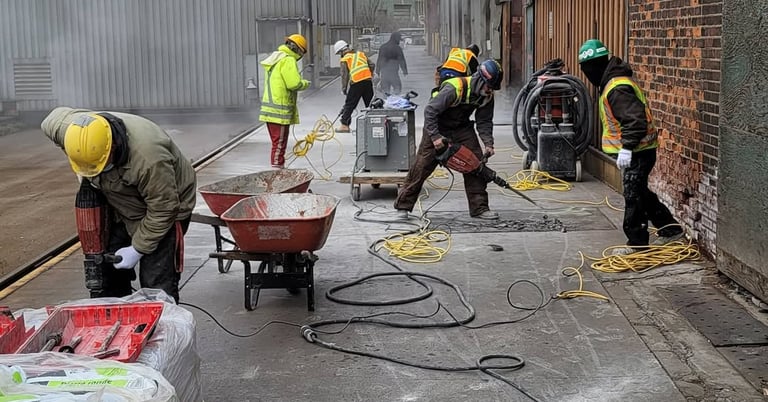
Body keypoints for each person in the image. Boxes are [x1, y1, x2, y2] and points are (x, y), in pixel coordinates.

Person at [41, 107, 197, 302]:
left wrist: (137, 249)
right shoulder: (67, 130)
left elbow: (164, 208)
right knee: (106, 275)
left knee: (156, 285)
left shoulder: (149, 159)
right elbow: (50, 119)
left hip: (165, 208)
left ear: (113, 146)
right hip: (118, 202)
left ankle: (161, 325)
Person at [578, 39, 685, 255]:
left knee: (633, 195)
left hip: (637, 151)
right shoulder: (612, 82)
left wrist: (626, 148)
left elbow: (635, 121)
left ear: (595, 65)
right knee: (641, 193)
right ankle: (671, 229)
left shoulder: (617, 87)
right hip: (638, 150)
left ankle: (637, 244)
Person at [394, 59, 504, 220]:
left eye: (492, 88)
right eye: (488, 86)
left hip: (462, 128)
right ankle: (403, 206)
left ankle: (479, 208)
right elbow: (430, 111)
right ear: (480, 80)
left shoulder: (487, 96)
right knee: (422, 166)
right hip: (437, 125)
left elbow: (484, 121)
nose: (489, 91)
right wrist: (435, 137)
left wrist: (488, 143)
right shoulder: (455, 88)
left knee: (476, 164)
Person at [259, 33, 311, 168]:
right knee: (279, 145)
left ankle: (277, 169)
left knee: (276, 143)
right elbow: (293, 83)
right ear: (299, 50)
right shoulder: (288, 60)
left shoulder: (276, 58)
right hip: (280, 111)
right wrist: (305, 83)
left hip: (269, 110)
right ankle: (277, 173)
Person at [334, 40, 375, 133]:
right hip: (368, 81)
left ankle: (344, 125)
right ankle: (374, 122)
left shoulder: (345, 59)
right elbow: (372, 65)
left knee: (350, 103)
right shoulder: (361, 54)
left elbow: (344, 75)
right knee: (370, 103)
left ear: (341, 52)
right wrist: (369, 75)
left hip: (357, 82)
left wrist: (344, 88)